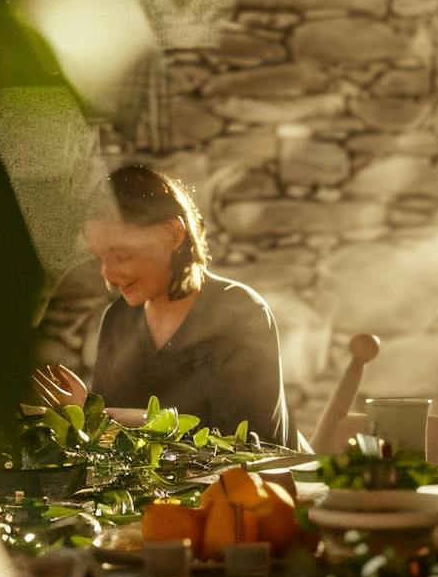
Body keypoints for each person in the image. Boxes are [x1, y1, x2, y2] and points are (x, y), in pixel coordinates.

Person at [35, 165, 302, 449]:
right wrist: (86, 417)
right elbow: (113, 448)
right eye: (100, 258)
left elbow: (253, 445)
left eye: (121, 256)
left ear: (173, 234)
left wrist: (131, 418)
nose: (108, 274)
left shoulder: (242, 312)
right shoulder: (117, 319)